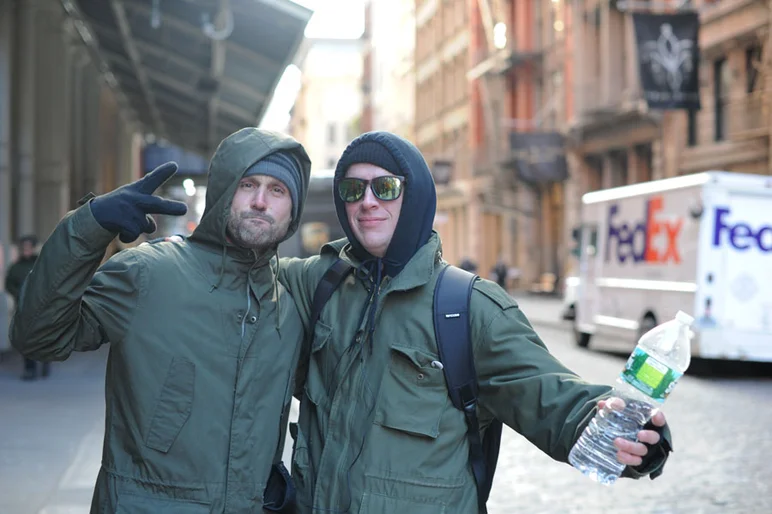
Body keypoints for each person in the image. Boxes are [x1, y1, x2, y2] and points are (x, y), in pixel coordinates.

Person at [278, 131, 673, 513]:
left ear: (414, 195)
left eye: (385, 187)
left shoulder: (467, 306)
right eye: (352, 190)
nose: (367, 201)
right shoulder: (318, 284)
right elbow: (248, 270)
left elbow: (548, 395)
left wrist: (627, 432)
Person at [10, 128, 311, 513]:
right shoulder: (148, 274)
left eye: (278, 190)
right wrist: (88, 227)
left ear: (293, 210)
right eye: (247, 184)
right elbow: (37, 336)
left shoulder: (288, 306)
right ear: (223, 190)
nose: (260, 201)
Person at [4, 234, 50, 380]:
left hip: (41, 307)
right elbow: (9, 284)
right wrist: (19, 293)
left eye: (29, 247)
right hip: (23, 308)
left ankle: (45, 361)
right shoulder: (15, 267)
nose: (26, 250)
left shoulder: (41, 264)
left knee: (42, 337)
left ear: (34, 248)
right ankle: (30, 368)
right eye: (24, 247)